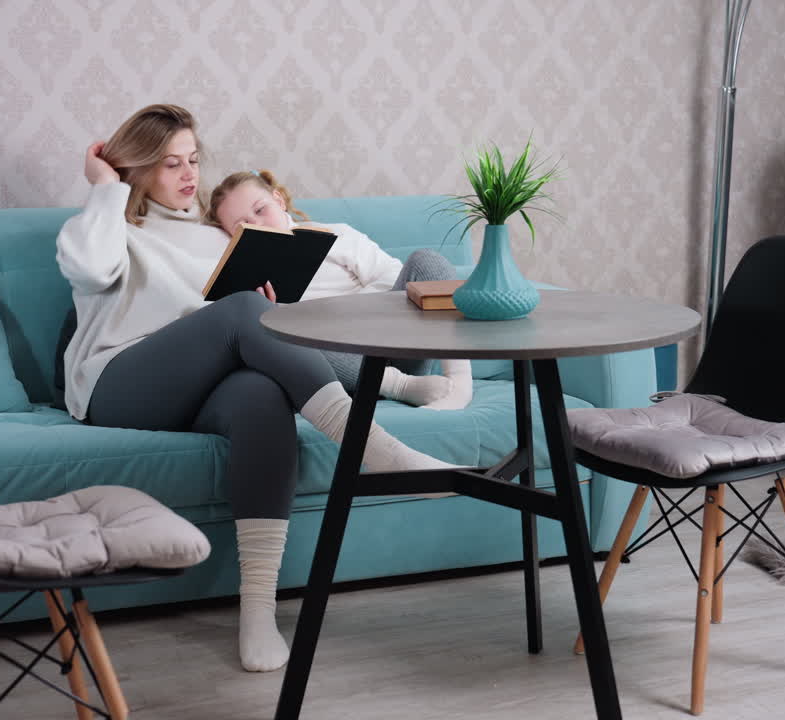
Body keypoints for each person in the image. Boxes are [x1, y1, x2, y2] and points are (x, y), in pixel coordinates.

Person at [56, 104, 456, 673]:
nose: (189, 175)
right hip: (116, 385)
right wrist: (103, 187)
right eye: (170, 164)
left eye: (193, 160)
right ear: (137, 170)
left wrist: (263, 316)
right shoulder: (103, 226)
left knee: (259, 395)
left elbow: (217, 318)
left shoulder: (208, 236)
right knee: (246, 312)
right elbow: (93, 272)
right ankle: (374, 448)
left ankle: (257, 612)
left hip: (198, 382)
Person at [206, 169, 474, 410]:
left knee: (428, 262)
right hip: (336, 367)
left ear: (278, 200)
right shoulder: (248, 279)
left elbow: (393, 277)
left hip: (389, 336)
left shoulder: (336, 235)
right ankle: (400, 387)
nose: (258, 224)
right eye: (242, 225)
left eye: (260, 210)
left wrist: (347, 311)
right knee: (278, 333)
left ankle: (459, 385)